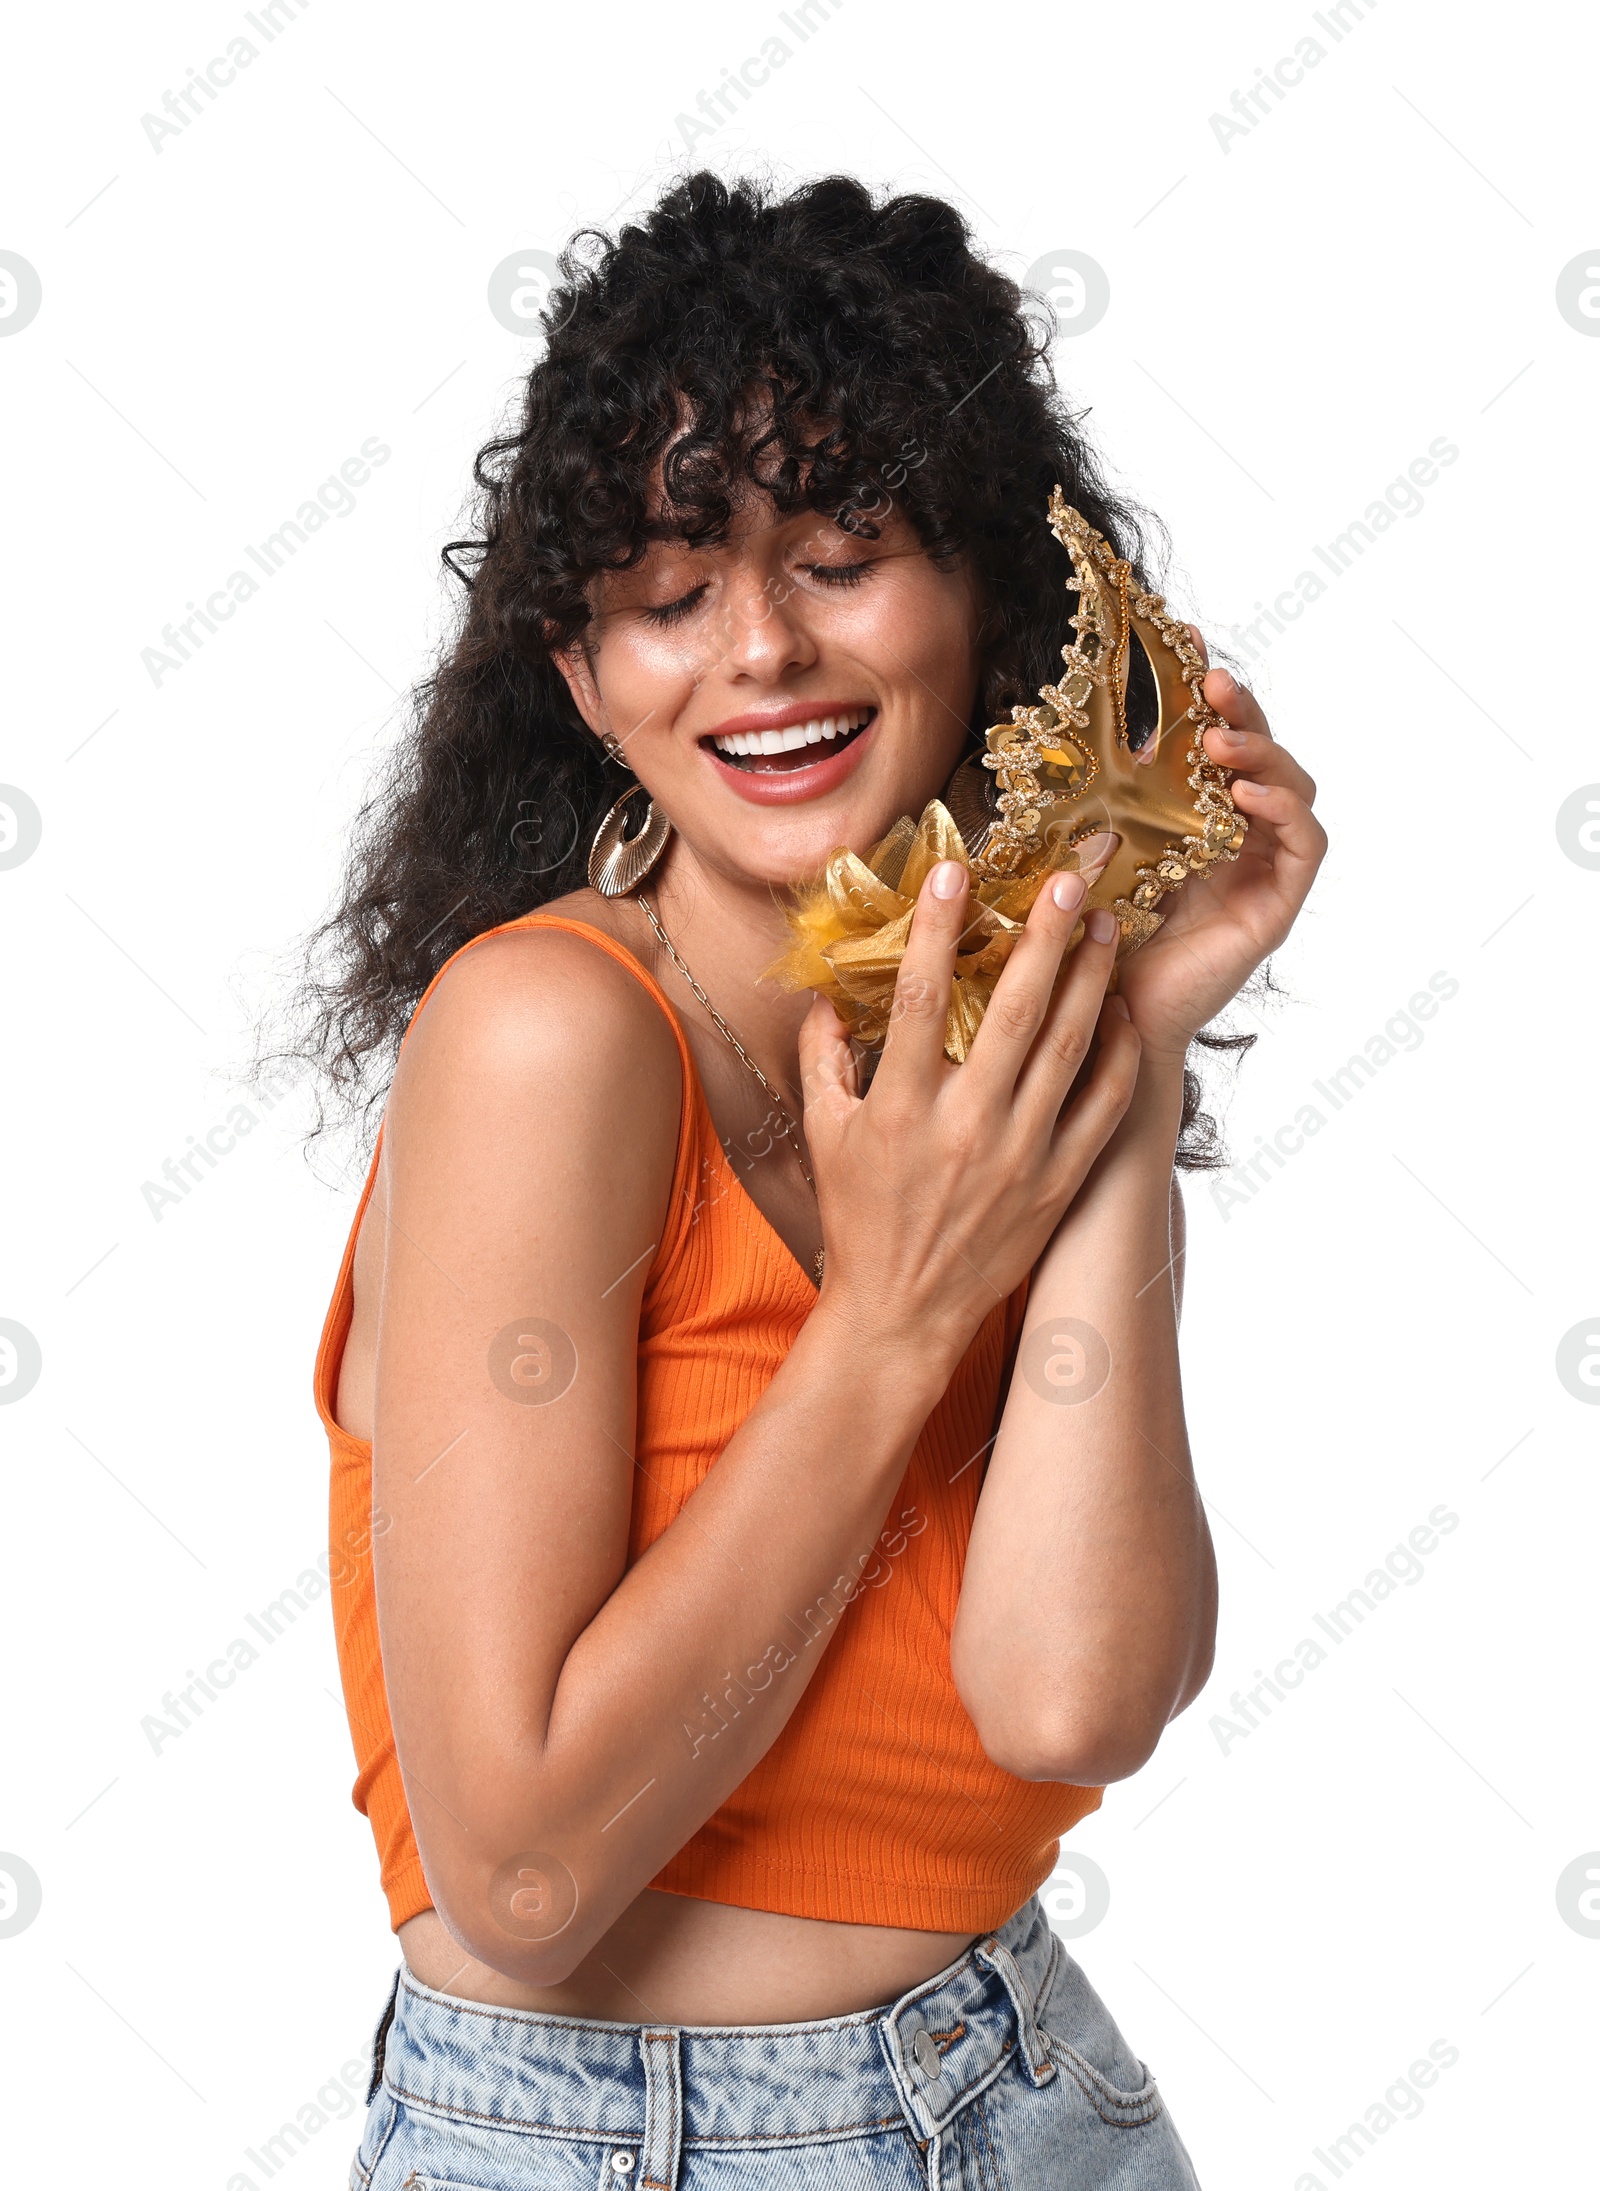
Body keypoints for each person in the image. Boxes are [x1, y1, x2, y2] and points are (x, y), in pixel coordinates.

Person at [303, 172, 1324, 2188]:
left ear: (985, 602)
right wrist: (891, 1319)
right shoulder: (546, 1037)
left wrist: (1115, 1052)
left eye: (843, 557)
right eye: (669, 597)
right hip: (613, 2142)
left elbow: (1065, 1693)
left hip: (1024, 2089)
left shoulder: (977, 1068)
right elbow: (517, 1874)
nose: (758, 650)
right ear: (581, 678)